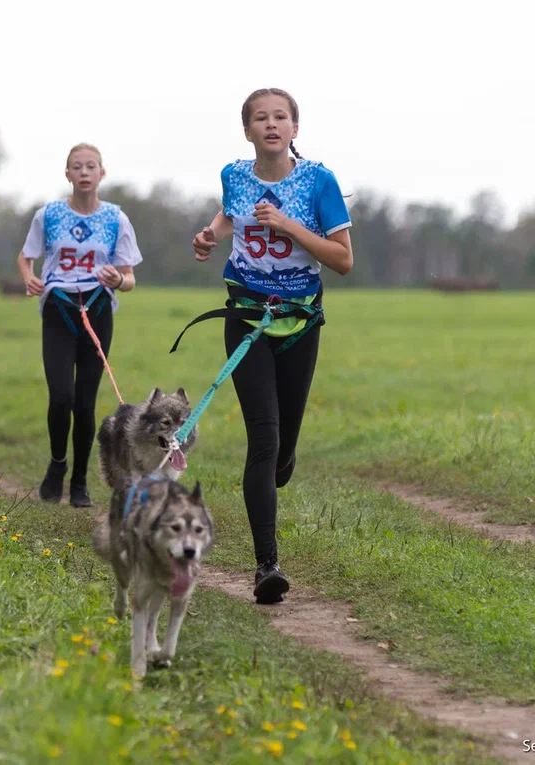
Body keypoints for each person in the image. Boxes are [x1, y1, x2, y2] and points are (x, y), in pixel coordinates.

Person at [191, 88, 354, 604]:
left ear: (295, 128)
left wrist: (289, 225)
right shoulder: (234, 175)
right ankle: (267, 565)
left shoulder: (319, 181)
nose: (271, 124)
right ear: (247, 132)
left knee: (282, 449)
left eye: (280, 117)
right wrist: (211, 235)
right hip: (246, 317)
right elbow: (230, 214)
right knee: (263, 439)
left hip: (299, 322)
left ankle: (284, 460)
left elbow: (343, 259)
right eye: (260, 118)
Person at [17, 143, 143, 508]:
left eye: (91, 166)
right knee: (62, 397)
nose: (84, 172)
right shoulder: (48, 215)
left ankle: (80, 482)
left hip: (98, 309)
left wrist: (118, 281)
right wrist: (29, 278)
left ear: (102, 174)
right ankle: (57, 465)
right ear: (68, 174)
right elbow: (26, 257)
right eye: (77, 167)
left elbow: (130, 276)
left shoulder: (117, 218)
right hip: (59, 309)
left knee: (85, 403)